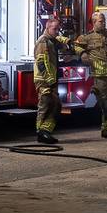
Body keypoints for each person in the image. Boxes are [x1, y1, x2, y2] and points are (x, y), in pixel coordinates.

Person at [74, 11, 107, 140]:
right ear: (94, 22)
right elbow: (77, 46)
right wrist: (83, 54)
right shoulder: (87, 37)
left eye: (104, 20)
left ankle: (105, 128)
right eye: (101, 21)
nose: (103, 22)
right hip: (100, 74)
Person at [33, 16, 64, 144]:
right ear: (47, 27)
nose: (57, 32)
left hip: (51, 79)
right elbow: (41, 62)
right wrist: (49, 78)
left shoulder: (51, 41)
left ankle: (45, 131)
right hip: (44, 80)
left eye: (58, 29)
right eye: (55, 29)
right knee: (44, 105)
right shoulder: (43, 41)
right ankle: (40, 132)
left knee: (55, 105)